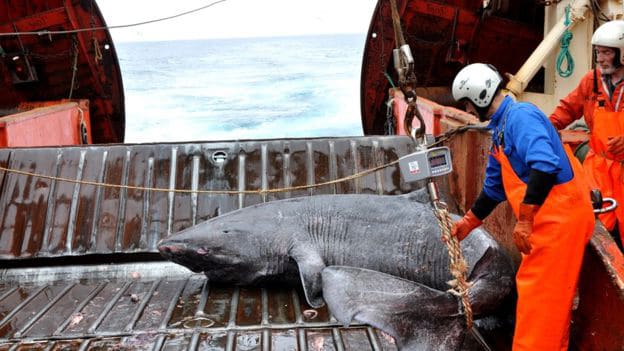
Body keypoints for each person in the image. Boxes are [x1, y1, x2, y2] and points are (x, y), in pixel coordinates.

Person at [449, 63, 595, 351]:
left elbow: (545, 164)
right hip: (547, 222)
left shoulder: (521, 117)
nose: (466, 110)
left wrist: (525, 220)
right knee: (543, 304)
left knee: (540, 303)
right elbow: (493, 189)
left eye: (466, 103)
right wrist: (467, 223)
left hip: (560, 221)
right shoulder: (500, 130)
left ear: (479, 96)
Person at [549, 20, 624, 248]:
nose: (600, 59)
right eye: (598, 52)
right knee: (593, 227)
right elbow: (564, 112)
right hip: (597, 170)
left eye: (606, 53)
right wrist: (542, 130)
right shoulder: (590, 82)